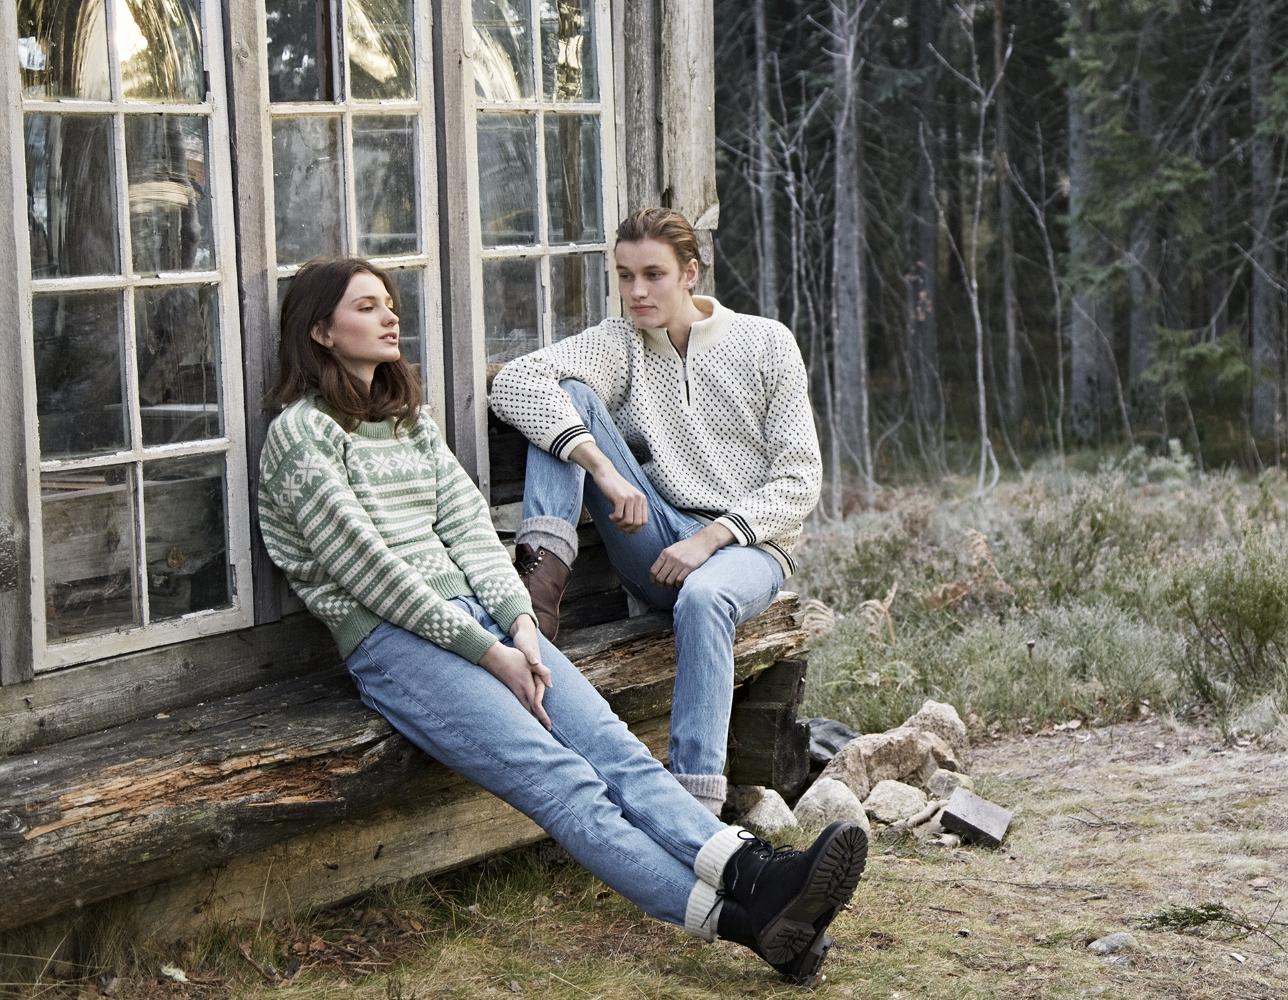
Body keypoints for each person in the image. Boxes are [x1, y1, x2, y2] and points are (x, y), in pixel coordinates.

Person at [255, 257, 862, 986]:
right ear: (321, 331)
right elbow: (370, 574)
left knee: (614, 749)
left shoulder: (406, 421)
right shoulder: (300, 437)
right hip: (397, 642)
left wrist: (517, 624)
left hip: (486, 623)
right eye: (366, 308)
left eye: (390, 303)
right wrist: (491, 653)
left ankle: (756, 873)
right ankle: (747, 921)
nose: (390, 317)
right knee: (564, 783)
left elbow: (470, 530)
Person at [488, 208, 819, 818]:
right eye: (624, 275)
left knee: (705, 597)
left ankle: (695, 806)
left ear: (689, 273)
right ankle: (536, 599)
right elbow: (516, 382)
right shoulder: (622, 343)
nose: (637, 292)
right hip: (657, 540)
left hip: (749, 548)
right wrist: (603, 468)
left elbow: (800, 479)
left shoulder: (766, 342)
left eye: (653, 275)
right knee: (568, 396)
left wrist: (714, 538)